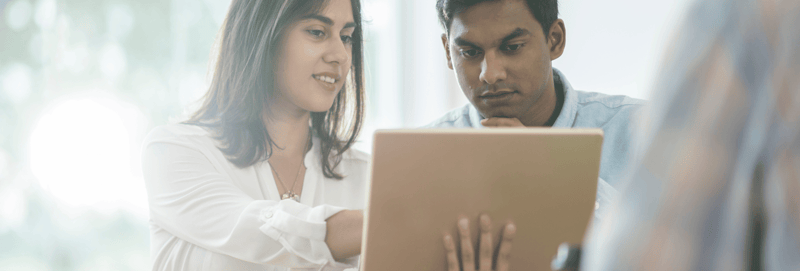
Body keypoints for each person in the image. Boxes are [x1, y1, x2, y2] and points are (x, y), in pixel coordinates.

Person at [141, 0, 368, 269]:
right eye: (317, 32)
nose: (340, 55)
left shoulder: (366, 175)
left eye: (346, 38)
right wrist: (390, 223)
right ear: (262, 34)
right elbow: (266, 236)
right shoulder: (175, 151)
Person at [581, 0, 800, 269]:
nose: (510, 73)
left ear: (555, 41)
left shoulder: (625, 122)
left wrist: (570, 184)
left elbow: (645, 256)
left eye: (515, 46)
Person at [429, 0, 646, 227]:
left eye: (512, 47)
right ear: (447, 51)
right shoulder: (423, 156)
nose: (490, 74)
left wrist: (550, 168)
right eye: (470, 52)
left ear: (555, 40)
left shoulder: (641, 131)